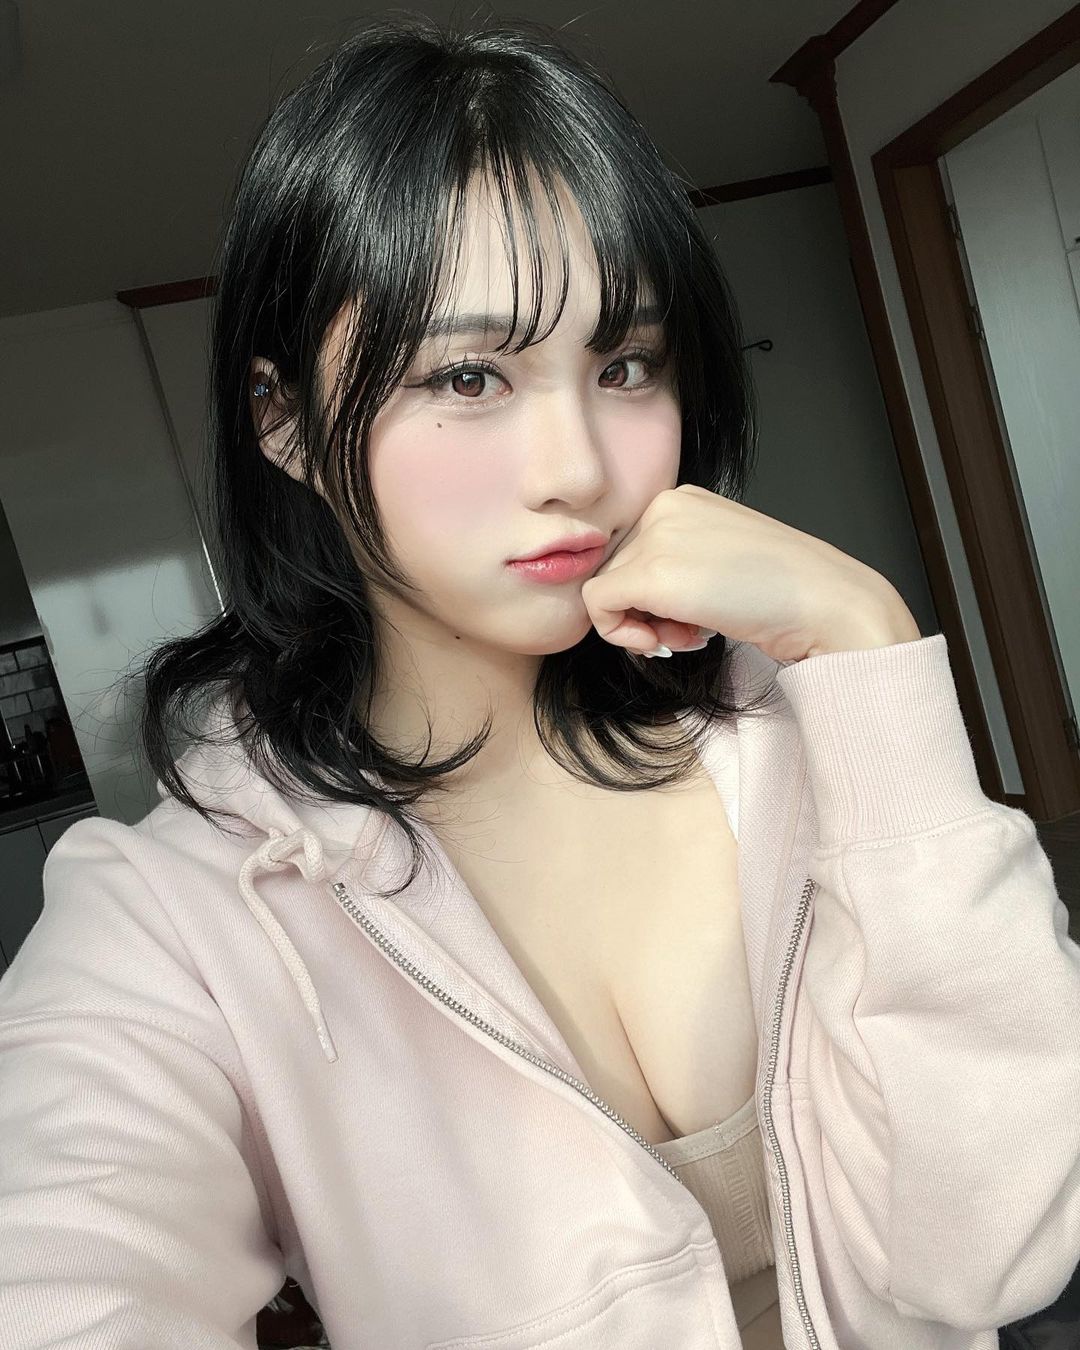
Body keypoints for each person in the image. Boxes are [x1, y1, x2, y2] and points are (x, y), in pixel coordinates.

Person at [1, 14, 1078, 1350]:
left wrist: (870, 648)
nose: (577, 465)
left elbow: (997, 1250)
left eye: (623, 366)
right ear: (284, 422)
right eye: (469, 375)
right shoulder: (184, 914)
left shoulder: (799, 733)